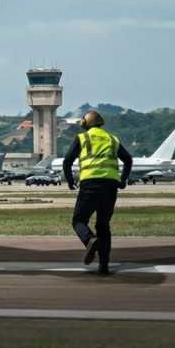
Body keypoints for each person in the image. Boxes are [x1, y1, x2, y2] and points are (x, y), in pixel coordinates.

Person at [63, 110, 133, 276]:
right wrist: (123, 180)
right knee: (103, 225)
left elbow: (67, 161)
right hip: (110, 186)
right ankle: (104, 265)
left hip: (90, 184)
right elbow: (128, 159)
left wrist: (70, 181)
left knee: (79, 220)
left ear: (84, 123)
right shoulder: (112, 139)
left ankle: (90, 240)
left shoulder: (82, 138)